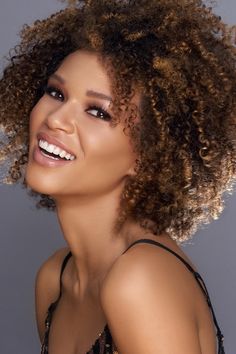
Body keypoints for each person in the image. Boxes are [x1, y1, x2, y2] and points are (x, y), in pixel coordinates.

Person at [0, 0, 235, 353]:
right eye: (55, 92)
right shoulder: (56, 279)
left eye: (97, 111)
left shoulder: (140, 281)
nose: (56, 119)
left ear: (148, 154)